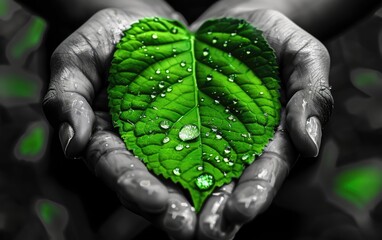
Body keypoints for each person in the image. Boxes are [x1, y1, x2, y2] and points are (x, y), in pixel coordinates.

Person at [14, 0, 382, 239]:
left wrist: (284, 7)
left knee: (278, 192)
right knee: (98, 189)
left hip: (277, 55)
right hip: (105, 73)